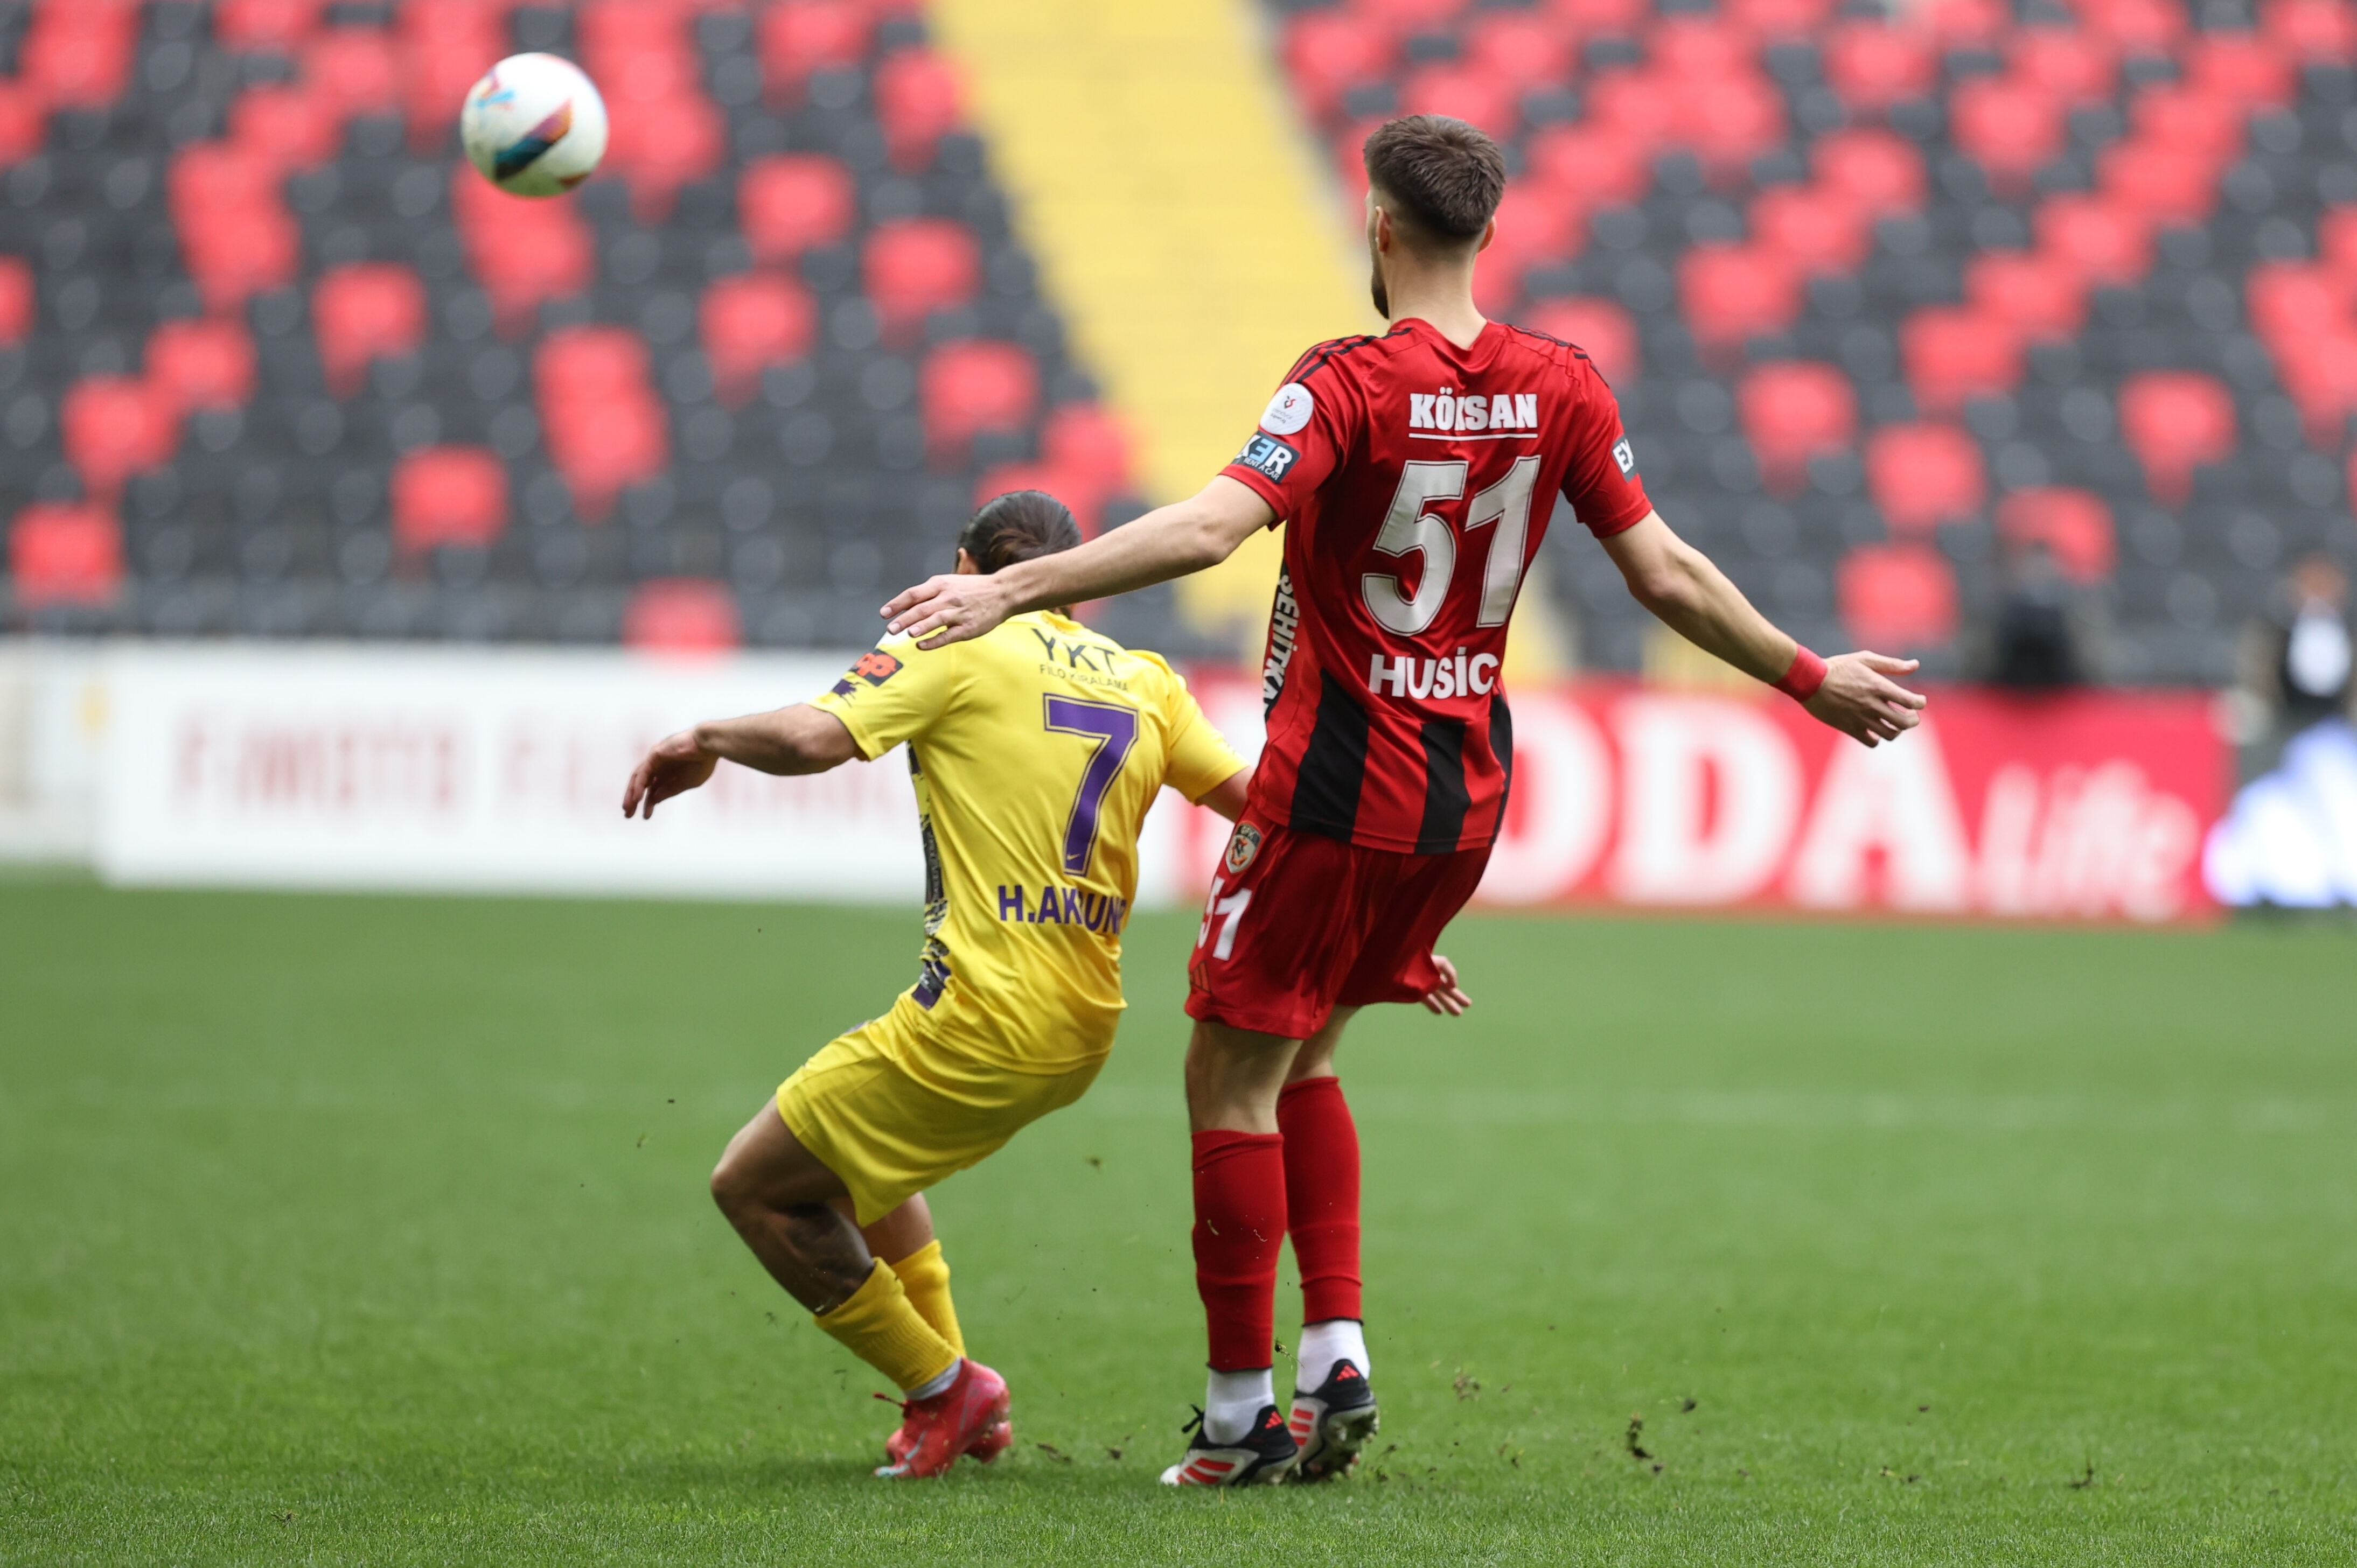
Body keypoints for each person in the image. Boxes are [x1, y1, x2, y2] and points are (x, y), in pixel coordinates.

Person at [878, 115, 1929, 1487]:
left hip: (1328, 785)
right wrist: (1809, 675)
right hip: (1464, 799)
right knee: (1307, 1052)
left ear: (1377, 229)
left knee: (1227, 1071)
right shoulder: (1563, 385)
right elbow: (1663, 574)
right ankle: (1336, 1353)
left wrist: (1005, 585)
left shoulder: (1341, 385)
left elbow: (1208, 527)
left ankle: (1243, 1411)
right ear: (1489, 233)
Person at [620, 491, 1256, 1479]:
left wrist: (704, 736)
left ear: (964, 567)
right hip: (1083, 1029)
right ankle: (961, 1405)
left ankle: (946, 1388)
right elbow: (1255, 807)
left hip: (981, 1020)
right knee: (863, 1162)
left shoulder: (957, 638)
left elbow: (813, 740)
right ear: (1075, 582)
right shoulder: (1148, 681)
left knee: (755, 1188)